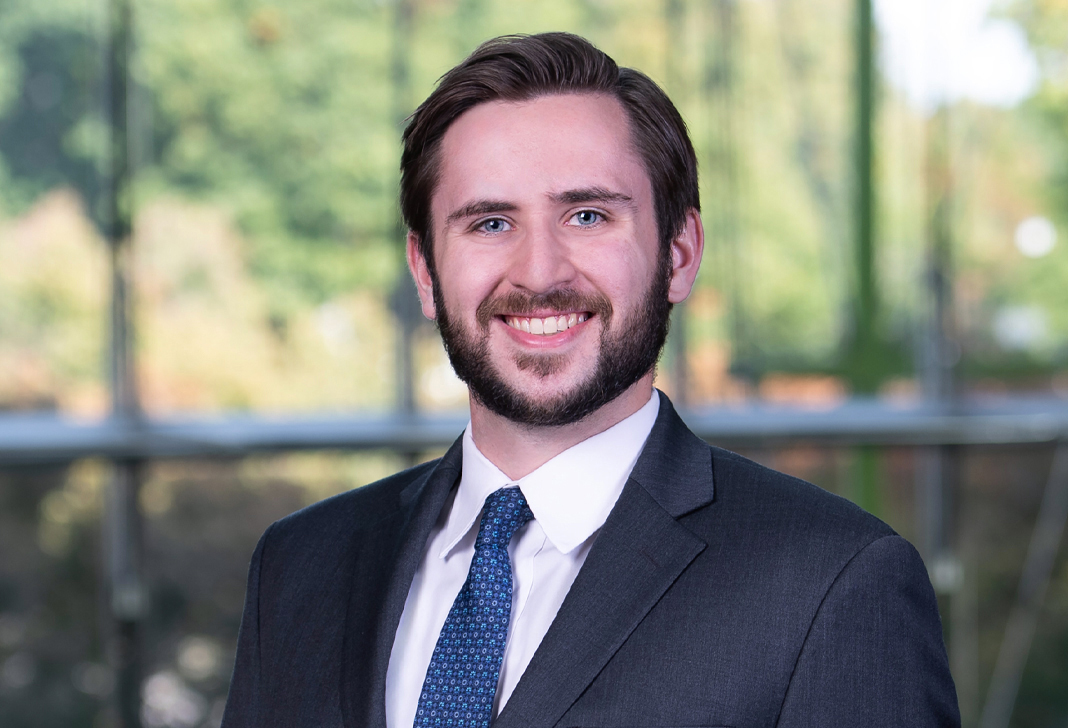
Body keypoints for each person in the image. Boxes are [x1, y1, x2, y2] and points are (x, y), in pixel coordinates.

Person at [222, 32, 960, 728]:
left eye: (586, 215)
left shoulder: (832, 583)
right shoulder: (301, 565)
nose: (539, 273)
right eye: (489, 223)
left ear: (678, 253)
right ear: (425, 271)